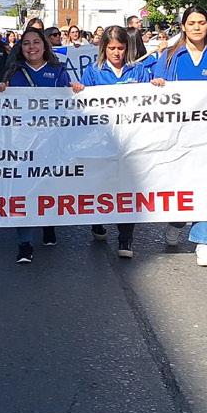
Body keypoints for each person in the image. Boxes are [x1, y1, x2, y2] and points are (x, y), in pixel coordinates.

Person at [147, 6, 207, 267]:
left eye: (201, 23)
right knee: (181, 184)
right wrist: (157, 86)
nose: (197, 27)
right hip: (177, 136)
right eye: (191, 23)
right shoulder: (170, 55)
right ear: (183, 27)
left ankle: (203, 242)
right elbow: (155, 91)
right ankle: (176, 222)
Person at [0, 27, 77, 263]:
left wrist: (76, 91)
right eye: (26, 43)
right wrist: (0, 91)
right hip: (22, 142)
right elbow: (4, 105)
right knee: (23, 189)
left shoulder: (58, 71)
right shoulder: (14, 72)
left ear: (44, 46)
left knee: (48, 186)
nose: (31, 47)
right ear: (21, 48)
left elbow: (69, 101)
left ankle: (48, 224)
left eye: (36, 42)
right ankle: (25, 243)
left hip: (51, 140)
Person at [79, 26, 149, 258]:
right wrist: (78, 90)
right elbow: (82, 104)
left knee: (128, 188)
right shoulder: (93, 72)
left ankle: (125, 238)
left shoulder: (138, 70)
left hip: (131, 140)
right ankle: (97, 222)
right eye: (111, 48)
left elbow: (153, 101)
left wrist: (157, 86)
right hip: (101, 140)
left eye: (120, 48)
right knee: (101, 184)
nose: (116, 53)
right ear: (104, 49)